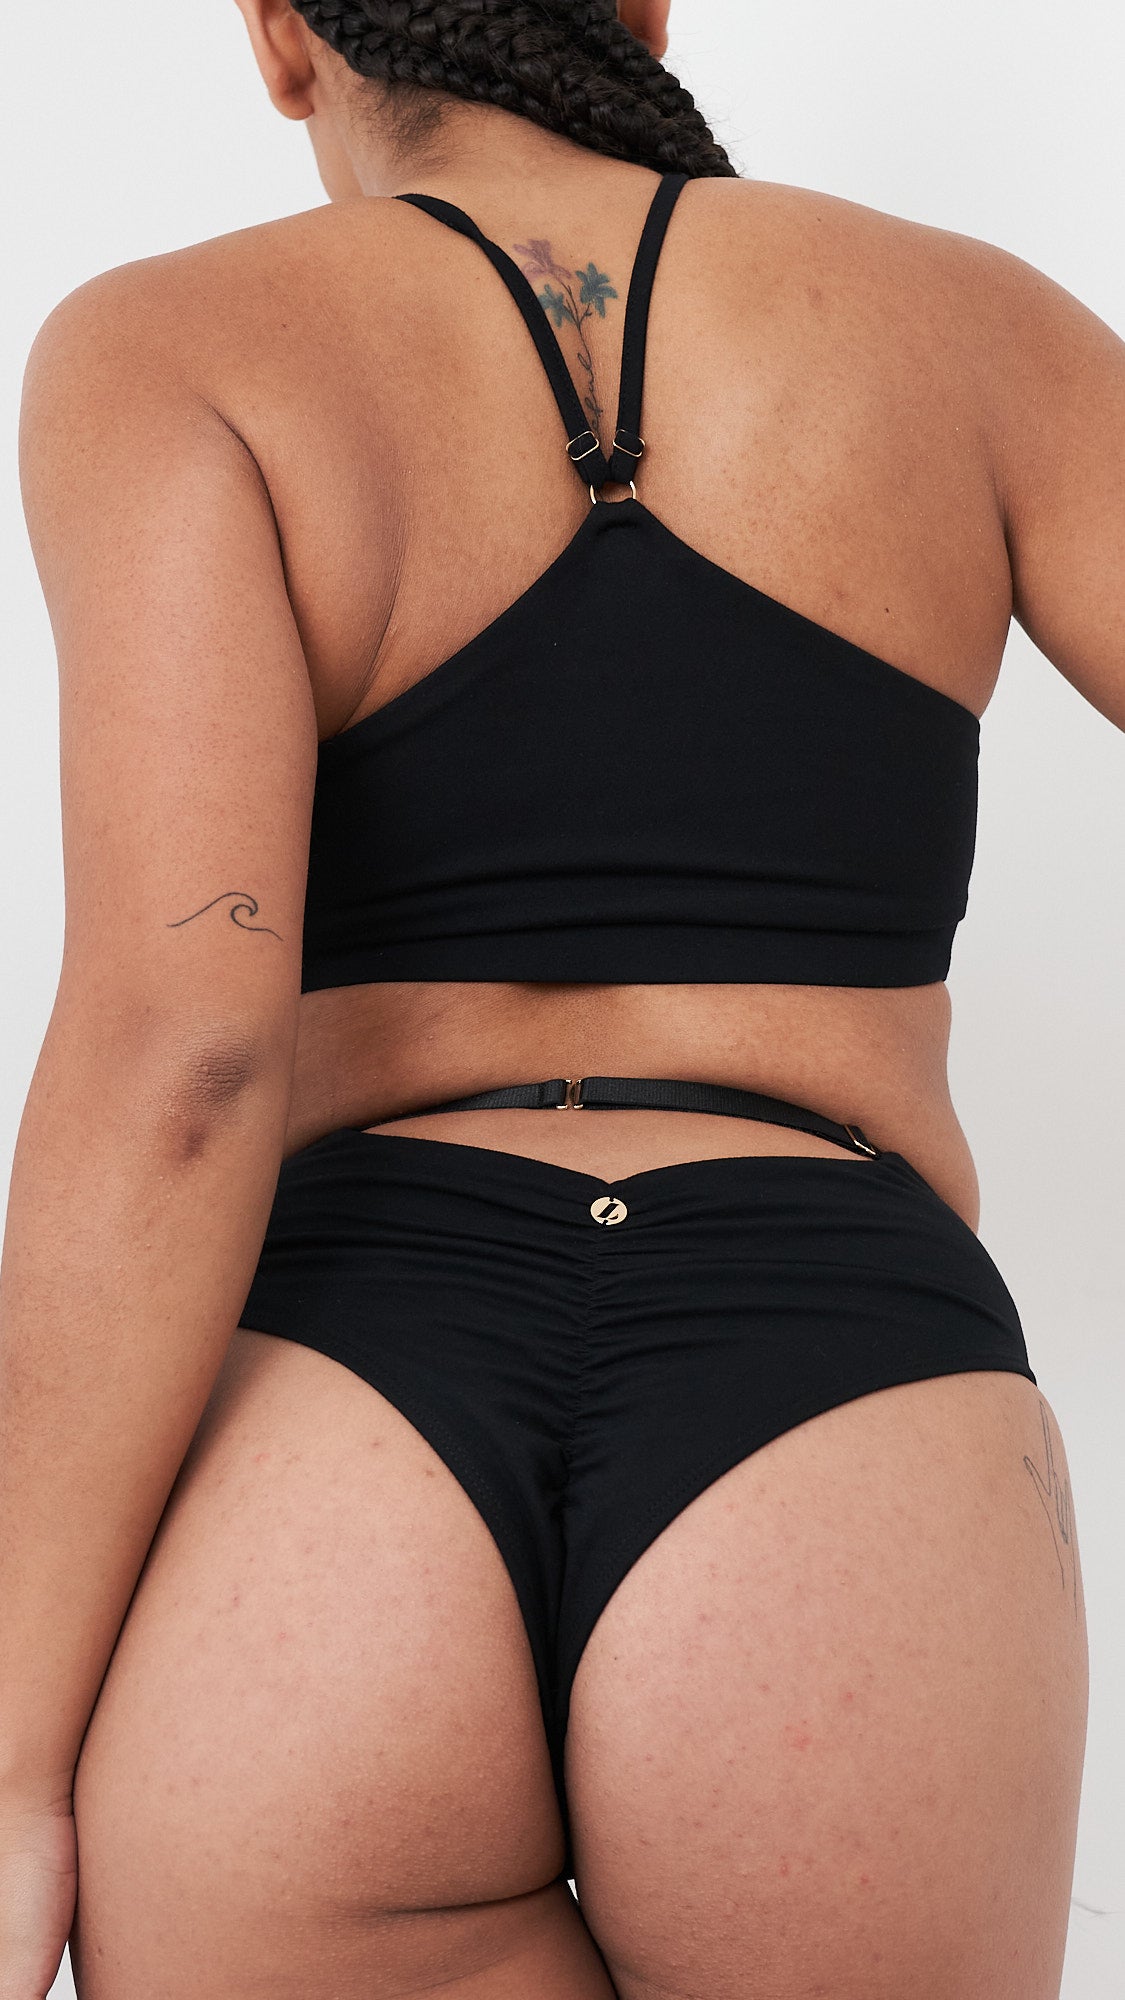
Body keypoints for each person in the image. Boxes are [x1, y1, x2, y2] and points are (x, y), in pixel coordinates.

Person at [1, 0, 1115, 1993]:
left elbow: (184, 1056)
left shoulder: (174, 348)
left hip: (337, 1439)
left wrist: (8, 1761)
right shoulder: (971, 328)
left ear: (282, 36)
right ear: (646, 7)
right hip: (833, 1382)